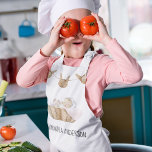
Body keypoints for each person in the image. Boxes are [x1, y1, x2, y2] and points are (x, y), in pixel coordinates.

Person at [16, 0, 143, 151]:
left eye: (85, 24)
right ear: (56, 31)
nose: (77, 33)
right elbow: (23, 80)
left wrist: (106, 40)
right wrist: (50, 46)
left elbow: (134, 75)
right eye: (69, 25)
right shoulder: (51, 65)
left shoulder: (99, 64)